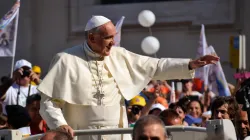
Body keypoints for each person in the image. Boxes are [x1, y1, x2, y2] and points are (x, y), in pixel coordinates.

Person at [37, 15, 219, 140]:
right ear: (92, 38)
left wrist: (189, 64)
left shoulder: (120, 55)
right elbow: (48, 102)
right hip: (82, 135)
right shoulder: (66, 60)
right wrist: (59, 124)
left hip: (118, 134)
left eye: (113, 37)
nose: (113, 43)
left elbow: (156, 66)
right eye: (108, 38)